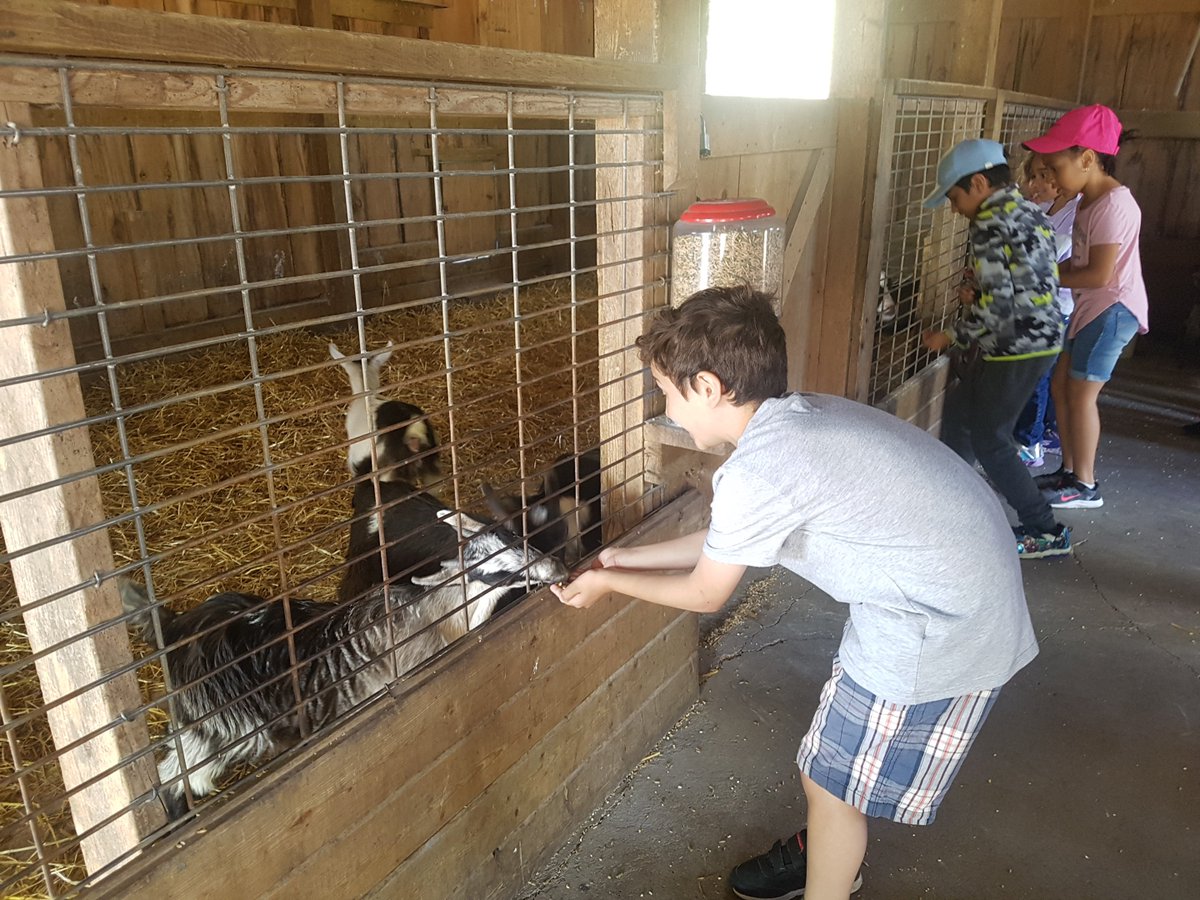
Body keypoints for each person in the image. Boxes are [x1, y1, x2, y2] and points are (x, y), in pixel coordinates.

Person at [551, 286, 1040, 900]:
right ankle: (829, 853)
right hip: (938, 593)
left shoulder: (760, 471)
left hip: (944, 626)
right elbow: (727, 539)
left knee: (831, 784)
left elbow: (707, 592)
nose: (669, 410)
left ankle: (831, 875)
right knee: (828, 773)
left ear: (707, 387)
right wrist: (622, 556)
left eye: (669, 394)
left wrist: (607, 583)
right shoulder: (792, 423)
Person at [919, 139, 1071, 558]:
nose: (953, 208)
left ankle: (1044, 528)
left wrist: (952, 335)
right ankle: (945, 505)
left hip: (1016, 345)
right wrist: (981, 289)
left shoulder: (987, 222)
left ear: (980, 183)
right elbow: (1031, 280)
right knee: (962, 417)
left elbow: (1001, 309)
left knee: (991, 439)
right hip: (1041, 337)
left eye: (954, 197)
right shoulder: (1029, 212)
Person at [1023, 105, 1150, 508]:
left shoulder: (1114, 205)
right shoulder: (1089, 202)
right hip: (1088, 309)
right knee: (1062, 386)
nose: (1053, 179)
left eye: (1055, 167)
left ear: (1088, 159)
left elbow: (1098, 274)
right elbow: (1077, 265)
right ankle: (1069, 471)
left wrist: (1044, 277)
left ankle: (1085, 483)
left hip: (1111, 310)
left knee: (1081, 394)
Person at [1013, 153, 1080, 466]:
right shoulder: (1040, 206)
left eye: (1043, 176)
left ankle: (1029, 443)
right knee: (1043, 374)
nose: (1035, 184)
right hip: (1033, 303)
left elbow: (1048, 255)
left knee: (1036, 375)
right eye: (1033, 177)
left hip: (1054, 306)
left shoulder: (1078, 210)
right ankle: (1043, 431)